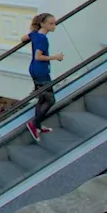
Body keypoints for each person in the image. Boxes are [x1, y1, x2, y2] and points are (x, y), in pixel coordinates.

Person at [25, 13, 63, 142]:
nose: (54, 26)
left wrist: (31, 36)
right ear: (43, 24)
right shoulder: (42, 38)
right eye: (51, 23)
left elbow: (23, 38)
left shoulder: (35, 34)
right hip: (41, 71)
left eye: (54, 23)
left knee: (42, 98)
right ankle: (34, 124)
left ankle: (37, 126)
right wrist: (55, 57)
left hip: (34, 69)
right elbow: (38, 56)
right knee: (50, 100)